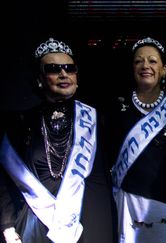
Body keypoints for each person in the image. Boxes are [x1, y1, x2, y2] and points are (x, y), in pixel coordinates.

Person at [0, 37, 116, 243]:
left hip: (91, 221)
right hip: (39, 223)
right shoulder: (21, 123)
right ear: (39, 79)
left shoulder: (100, 119)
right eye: (54, 68)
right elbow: (6, 180)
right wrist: (7, 226)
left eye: (69, 68)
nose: (64, 74)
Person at [106, 37, 166, 242]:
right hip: (129, 204)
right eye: (138, 61)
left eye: (152, 61)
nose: (145, 66)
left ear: (164, 69)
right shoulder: (117, 108)